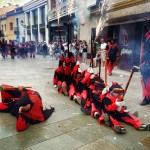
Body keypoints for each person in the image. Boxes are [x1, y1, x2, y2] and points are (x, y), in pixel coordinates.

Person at [140, 18, 150, 105]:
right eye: (148, 26)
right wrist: (141, 60)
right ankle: (146, 98)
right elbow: (143, 49)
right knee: (145, 81)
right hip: (146, 62)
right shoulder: (146, 36)